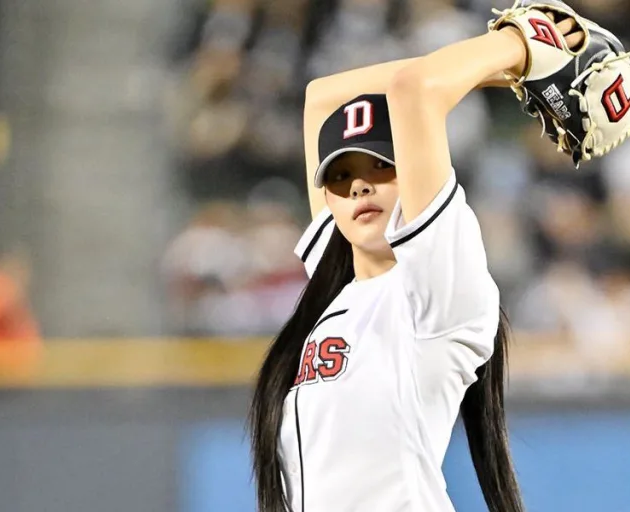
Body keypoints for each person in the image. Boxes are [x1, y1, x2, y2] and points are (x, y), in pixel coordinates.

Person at [247, 5, 601, 512]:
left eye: (382, 167)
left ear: (414, 178)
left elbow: (416, 87)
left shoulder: (434, 287)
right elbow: (321, 96)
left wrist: (518, 47)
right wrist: (502, 77)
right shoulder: (335, 279)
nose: (360, 186)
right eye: (341, 176)